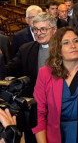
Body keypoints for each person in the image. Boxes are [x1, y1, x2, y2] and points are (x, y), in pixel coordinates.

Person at [6, 12, 57, 143]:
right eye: (35, 29)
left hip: (59, 109)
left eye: (43, 29)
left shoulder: (64, 49)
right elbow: (9, 70)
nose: (38, 33)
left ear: (54, 29)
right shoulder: (26, 49)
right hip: (34, 109)